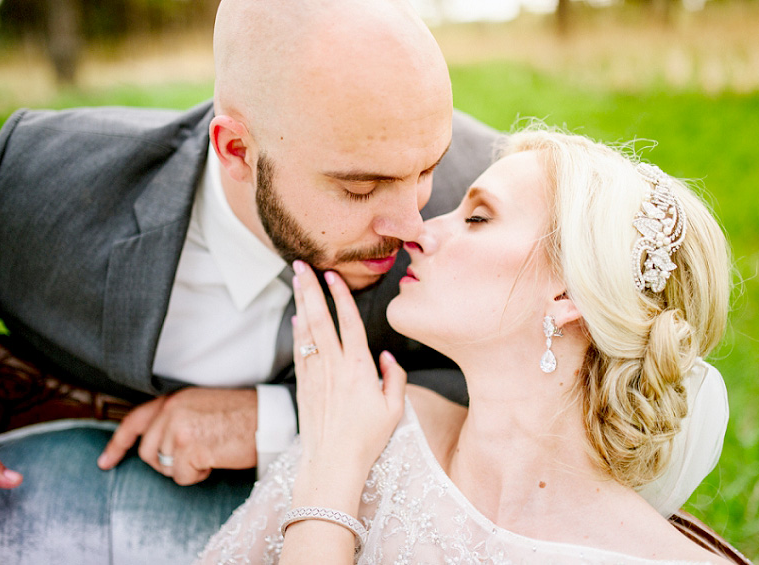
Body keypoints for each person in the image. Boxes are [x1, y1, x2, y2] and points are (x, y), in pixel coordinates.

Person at [0, 1, 726, 563]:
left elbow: (531, 382)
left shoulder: (479, 188)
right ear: (236, 151)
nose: (414, 223)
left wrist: (278, 420)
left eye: (429, 173)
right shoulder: (51, 181)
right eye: (362, 189)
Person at [195, 127, 732, 564]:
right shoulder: (373, 426)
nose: (419, 233)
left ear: (569, 293)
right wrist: (332, 457)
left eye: (477, 218)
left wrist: (327, 483)